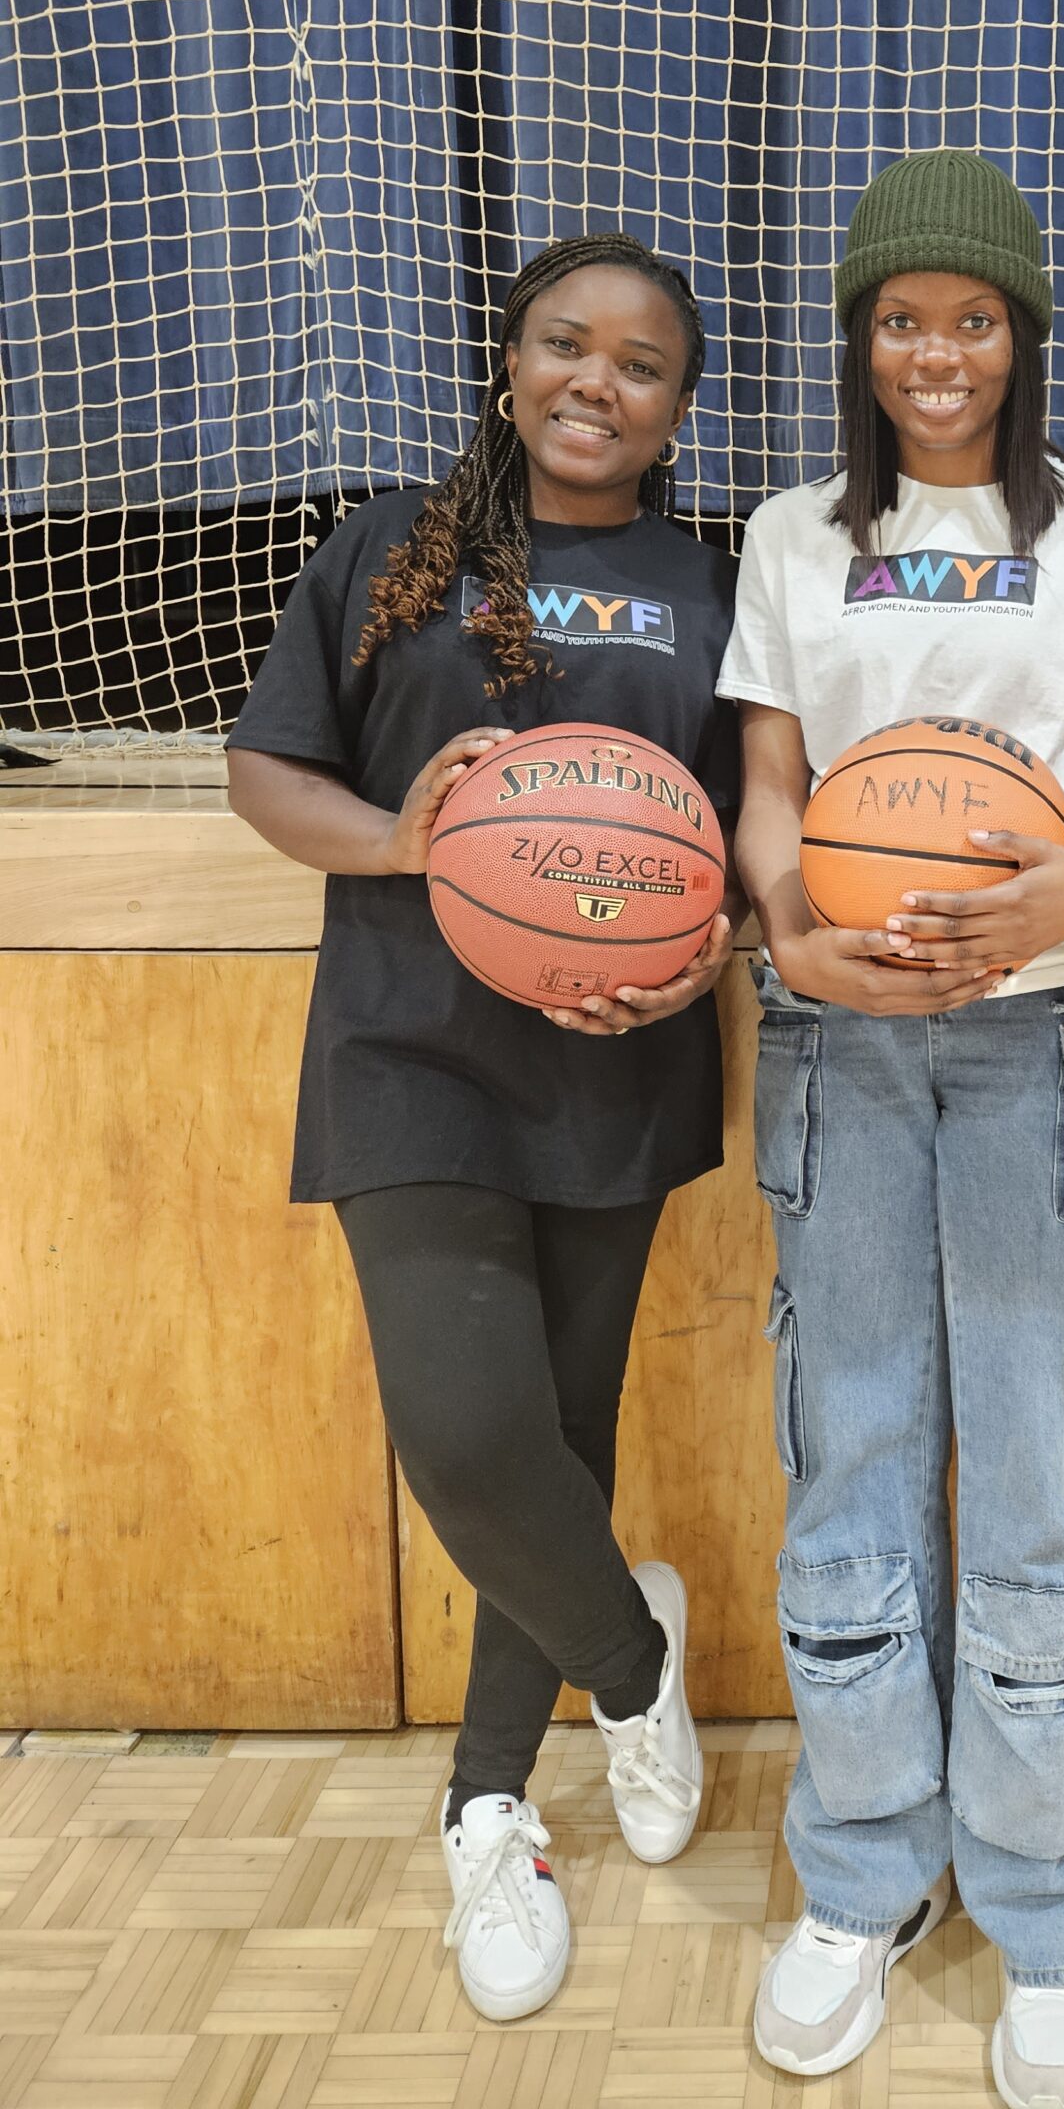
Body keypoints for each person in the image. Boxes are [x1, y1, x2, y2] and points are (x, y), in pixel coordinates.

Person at [721, 150, 1064, 2109]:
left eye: (975, 317)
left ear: (1024, 335)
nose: (938, 350)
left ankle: (1054, 1907)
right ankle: (862, 1877)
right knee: (845, 1456)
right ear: (861, 336)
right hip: (836, 1043)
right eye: (903, 317)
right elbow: (770, 785)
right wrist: (791, 928)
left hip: (1039, 1036)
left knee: (1036, 1471)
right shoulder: (787, 535)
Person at [227, 234, 741, 2023]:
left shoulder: (711, 585)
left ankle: (490, 1806)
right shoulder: (388, 548)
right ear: (510, 362)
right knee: (464, 1439)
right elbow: (269, 767)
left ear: (682, 404)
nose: (598, 382)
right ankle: (634, 1658)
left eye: (642, 364)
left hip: (616, 1064)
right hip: (411, 1052)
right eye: (565, 345)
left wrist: (704, 958)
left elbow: (746, 833)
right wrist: (396, 842)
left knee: (560, 1440)